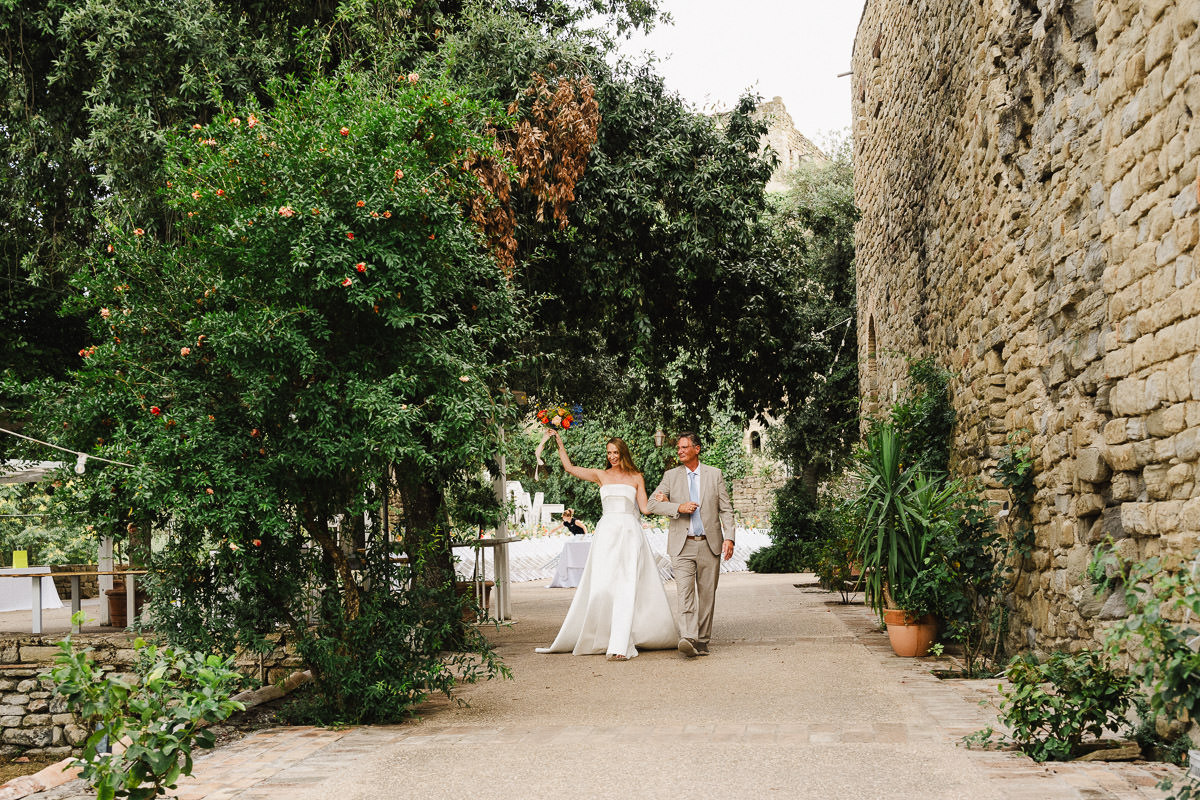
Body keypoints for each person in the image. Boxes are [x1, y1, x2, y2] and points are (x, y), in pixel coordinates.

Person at [535, 433, 679, 661]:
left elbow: (645, 509)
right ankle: (602, 635)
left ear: (623, 453)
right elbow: (570, 468)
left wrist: (660, 499)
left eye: (616, 452)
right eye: (609, 452)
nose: (612, 456)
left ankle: (620, 644)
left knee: (627, 585)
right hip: (607, 533)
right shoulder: (601, 475)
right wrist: (560, 443)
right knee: (602, 586)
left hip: (630, 533)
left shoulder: (636, 477)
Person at [647, 432, 736, 658]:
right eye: (678, 448)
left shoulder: (715, 475)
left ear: (696, 449)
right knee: (684, 593)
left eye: (685, 447)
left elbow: (726, 509)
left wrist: (730, 537)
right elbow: (651, 505)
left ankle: (703, 640)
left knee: (707, 595)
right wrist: (678, 507)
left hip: (710, 544)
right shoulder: (670, 477)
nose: (680, 451)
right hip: (682, 545)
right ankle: (688, 637)